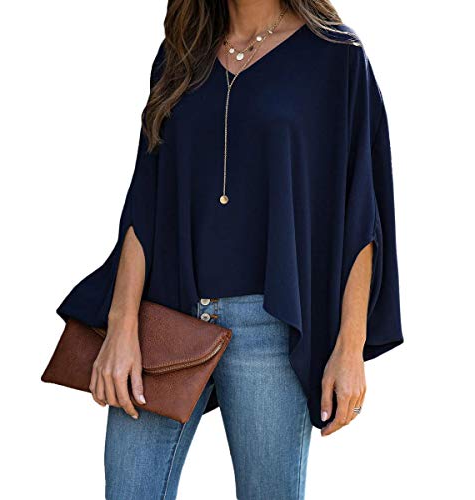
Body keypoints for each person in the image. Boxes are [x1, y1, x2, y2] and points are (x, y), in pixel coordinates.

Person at [57, 1, 404, 498]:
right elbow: (145, 202)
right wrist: (122, 325)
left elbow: (360, 214)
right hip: (164, 316)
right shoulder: (180, 54)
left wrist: (350, 349)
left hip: (270, 327)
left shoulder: (335, 56)